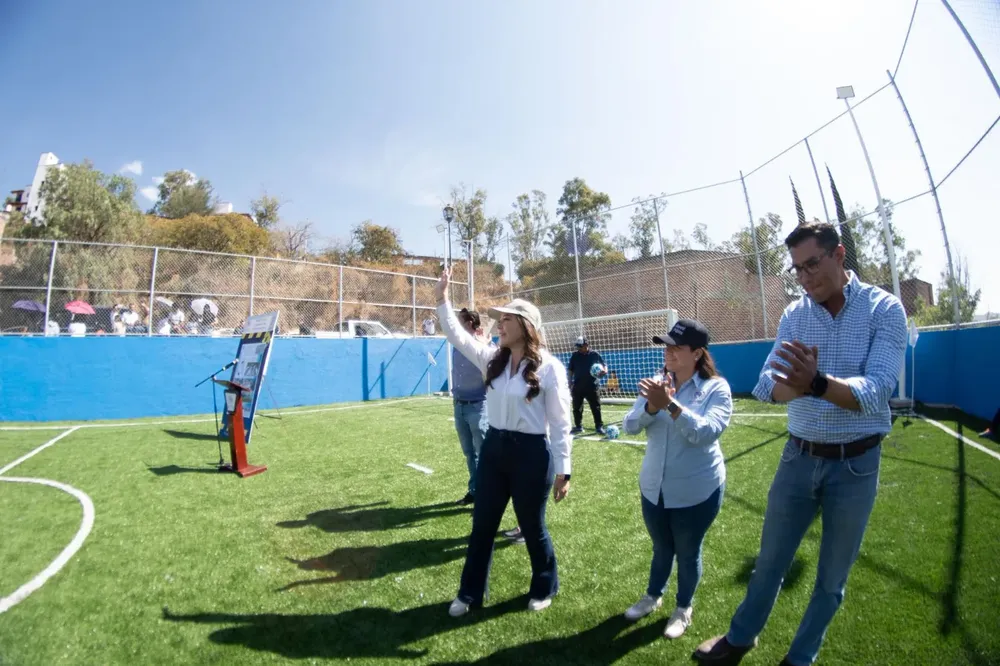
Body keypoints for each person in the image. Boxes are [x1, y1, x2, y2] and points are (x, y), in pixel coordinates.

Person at [693, 222, 908, 666]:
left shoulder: (884, 310)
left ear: (839, 255)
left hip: (856, 465)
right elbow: (767, 387)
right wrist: (806, 386)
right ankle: (740, 637)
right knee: (769, 561)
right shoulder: (795, 314)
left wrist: (816, 382)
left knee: (831, 579)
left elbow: (877, 391)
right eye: (798, 269)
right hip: (798, 457)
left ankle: (800, 657)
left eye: (812, 264)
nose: (806, 277)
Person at [434, 266, 573, 617]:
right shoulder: (492, 359)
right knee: (482, 525)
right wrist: (442, 298)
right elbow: (458, 335)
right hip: (494, 450)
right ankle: (469, 594)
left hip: (531, 454)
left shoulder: (550, 368)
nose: (499, 325)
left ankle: (544, 586)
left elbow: (559, 423)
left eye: (507, 320)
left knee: (532, 526)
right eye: (498, 320)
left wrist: (564, 470)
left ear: (526, 327)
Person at [621, 318, 732, 640]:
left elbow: (706, 433)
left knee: (687, 551)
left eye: (676, 347)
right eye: (666, 346)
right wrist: (651, 409)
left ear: (697, 353)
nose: (668, 352)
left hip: (697, 490)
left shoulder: (716, 388)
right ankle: (653, 596)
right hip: (654, 488)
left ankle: (683, 607)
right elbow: (629, 425)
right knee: (661, 547)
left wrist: (670, 405)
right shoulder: (656, 383)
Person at [451, 308, 492, 506]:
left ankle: (487, 495)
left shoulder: (481, 346)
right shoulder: (456, 343)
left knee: (482, 454)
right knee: (469, 454)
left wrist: (485, 341)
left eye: (459, 321)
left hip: (478, 406)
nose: (455, 324)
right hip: (459, 405)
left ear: (468, 323)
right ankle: (474, 491)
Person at [568, 336, 607, 435]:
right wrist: (569, 381)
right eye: (578, 347)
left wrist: (604, 371)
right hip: (578, 386)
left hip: (592, 386)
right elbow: (570, 370)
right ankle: (578, 426)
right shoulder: (575, 356)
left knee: (596, 407)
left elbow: (604, 365)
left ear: (586, 345)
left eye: (580, 346)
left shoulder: (595, 354)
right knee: (577, 408)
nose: (579, 348)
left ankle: (599, 426)